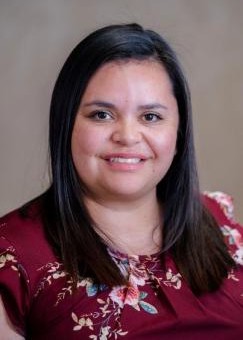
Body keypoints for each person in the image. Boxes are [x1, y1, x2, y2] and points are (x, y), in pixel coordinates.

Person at [0, 23, 243, 340]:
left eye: (150, 116)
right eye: (101, 114)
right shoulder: (12, 257)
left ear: (179, 132)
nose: (127, 136)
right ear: (66, 124)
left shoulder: (220, 221)